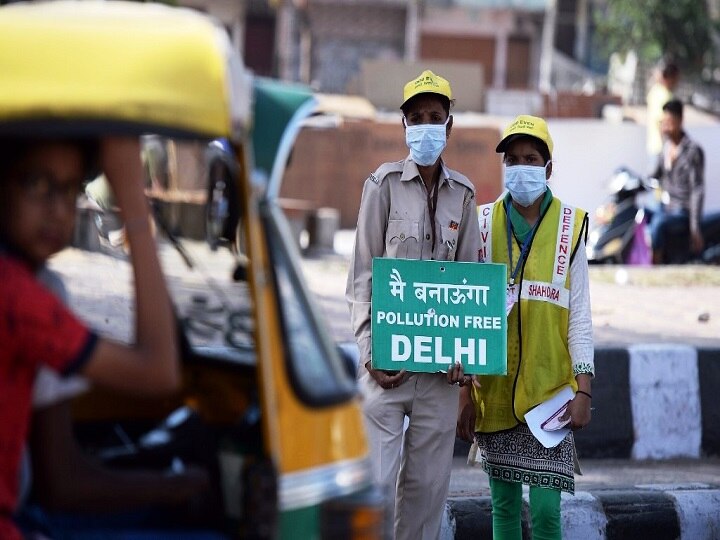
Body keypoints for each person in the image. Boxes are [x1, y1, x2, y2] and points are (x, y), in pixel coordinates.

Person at [0, 135, 180, 540]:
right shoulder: (16, 295)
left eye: (69, 189)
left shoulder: (30, 284)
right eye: (37, 184)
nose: (58, 209)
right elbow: (159, 370)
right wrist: (133, 199)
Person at [345, 70, 481, 539]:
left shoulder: (463, 197)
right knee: (376, 490)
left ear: (449, 125)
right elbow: (363, 276)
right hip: (386, 367)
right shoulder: (380, 186)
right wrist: (368, 352)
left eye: (435, 117)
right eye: (417, 117)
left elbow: (470, 290)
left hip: (441, 376)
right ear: (404, 125)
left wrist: (468, 364)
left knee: (426, 497)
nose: (427, 126)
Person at [452, 115, 594, 540]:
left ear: (548, 169)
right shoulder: (480, 224)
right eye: (512, 159)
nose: (520, 167)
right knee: (504, 510)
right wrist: (465, 393)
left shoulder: (571, 226)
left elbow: (581, 316)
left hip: (552, 398)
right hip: (493, 394)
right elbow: (467, 314)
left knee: (548, 514)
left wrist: (585, 390)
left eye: (530, 159)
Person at [648, 99, 705, 264]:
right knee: (643, 215)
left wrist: (695, 226)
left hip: (682, 209)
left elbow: (697, 190)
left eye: (668, 121)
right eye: (663, 122)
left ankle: (654, 268)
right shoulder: (666, 146)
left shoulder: (692, 150)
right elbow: (653, 175)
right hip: (667, 206)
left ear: (679, 120)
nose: (665, 125)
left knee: (658, 224)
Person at [646, 61, 679, 169]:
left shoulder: (655, 91)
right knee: (659, 184)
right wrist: (671, 147)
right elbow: (663, 122)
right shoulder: (665, 96)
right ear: (671, 77)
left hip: (653, 145)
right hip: (661, 148)